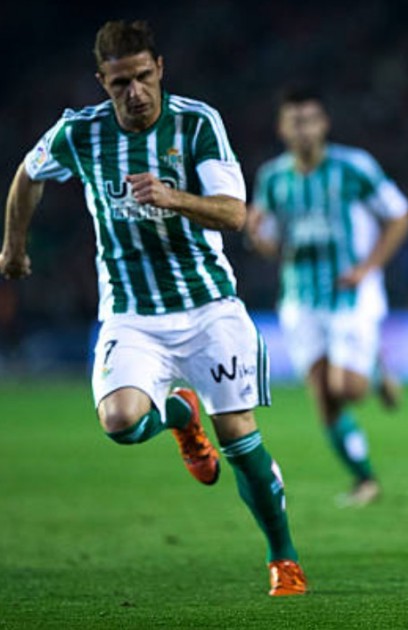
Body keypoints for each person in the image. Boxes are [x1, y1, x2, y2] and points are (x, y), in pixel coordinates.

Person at [0, 20, 307, 597]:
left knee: (240, 436)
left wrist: (173, 197)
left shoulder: (196, 123)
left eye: (143, 77)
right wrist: (13, 246)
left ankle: (283, 559)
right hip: (131, 313)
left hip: (208, 306)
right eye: (120, 83)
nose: (134, 92)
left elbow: (234, 213)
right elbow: (27, 174)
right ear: (102, 81)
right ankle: (179, 418)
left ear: (160, 68)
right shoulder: (79, 132)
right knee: (119, 423)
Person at [246, 85, 408, 507]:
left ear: (324, 124)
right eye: (294, 121)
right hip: (300, 299)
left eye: (310, 119)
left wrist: (368, 267)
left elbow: (397, 215)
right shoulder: (272, 178)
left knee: (349, 389)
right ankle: (364, 479)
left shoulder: (353, 167)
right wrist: (257, 234)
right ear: (283, 128)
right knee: (322, 393)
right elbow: (273, 243)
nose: (303, 129)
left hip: (351, 294)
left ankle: (373, 369)